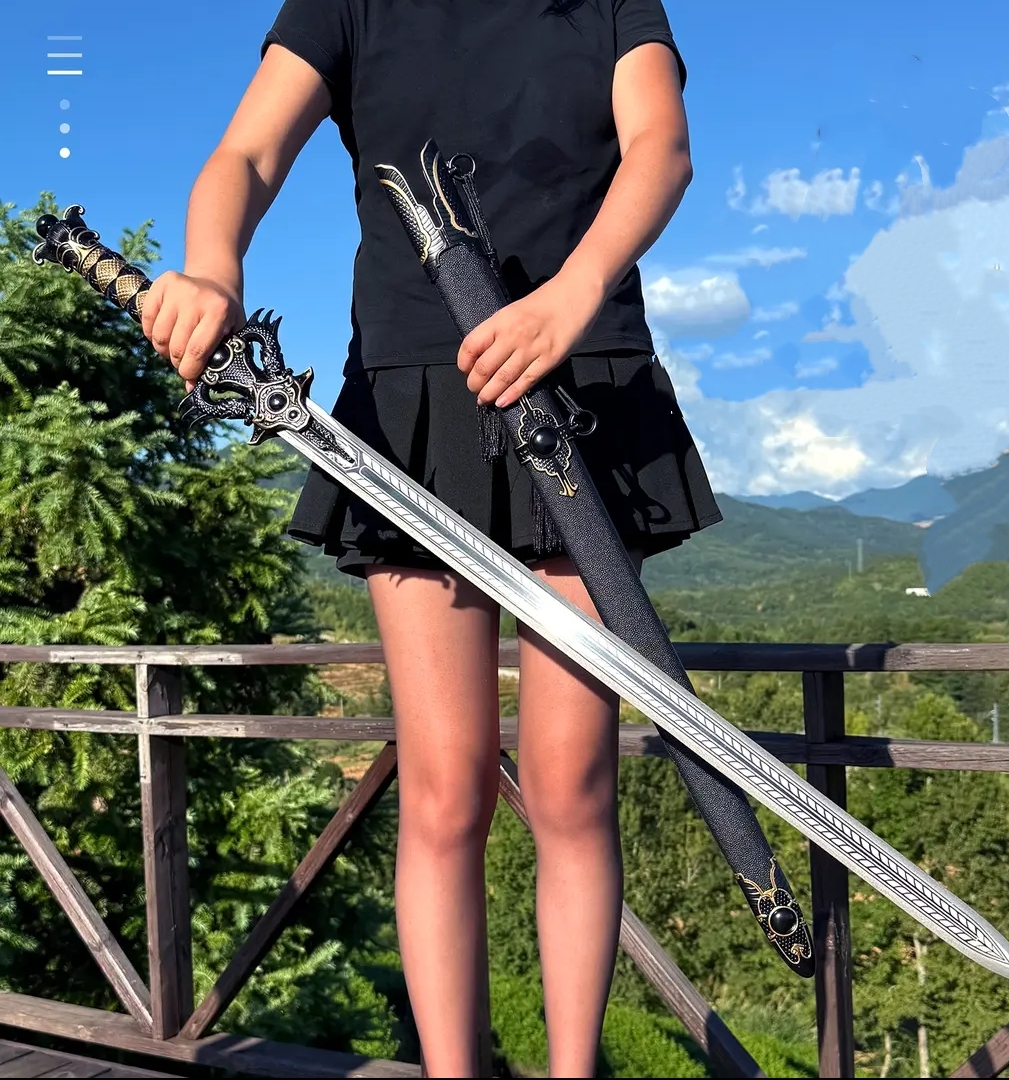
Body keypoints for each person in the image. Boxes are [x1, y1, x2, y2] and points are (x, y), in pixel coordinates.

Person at [141, 1, 721, 1075]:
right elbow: (247, 152)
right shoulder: (346, 3)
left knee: (570, 783)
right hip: (412, 402)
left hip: (579, 377)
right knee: (447, 786)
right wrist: (213, 268)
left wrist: (573, 292)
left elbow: (661, 146)